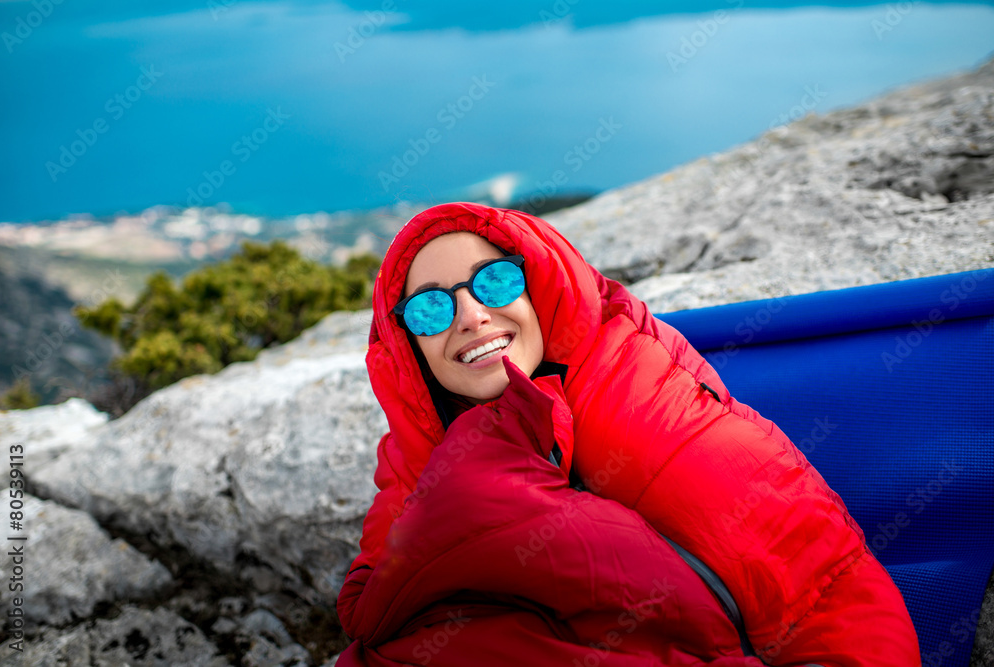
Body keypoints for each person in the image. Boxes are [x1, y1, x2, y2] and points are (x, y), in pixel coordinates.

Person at [335, 202, 920, 666]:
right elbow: (378, 609)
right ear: (409, 346)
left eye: (494, 282)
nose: (470, 315)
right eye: (430, 310)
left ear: (540, 287)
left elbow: (813, 577)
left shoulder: (638, 386)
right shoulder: (416, 454)